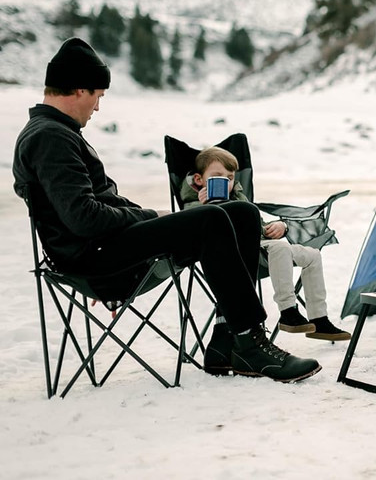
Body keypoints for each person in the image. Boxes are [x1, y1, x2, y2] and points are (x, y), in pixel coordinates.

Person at [12, 37, 321, 383]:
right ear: (79, 89)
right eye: (98, 95)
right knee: (212, 219)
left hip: (101, 247)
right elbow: (84, 218)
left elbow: (100, 206)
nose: (97, 107)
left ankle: (225, 341)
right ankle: (250, 342)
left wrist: (155, 216)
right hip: (93, 260)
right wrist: (150, 218)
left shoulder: (57, 132)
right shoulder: (50, 138)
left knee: (241, 213)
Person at [180, 146, 351, 342]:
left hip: (264, 249)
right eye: (217, 176)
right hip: (237, 257)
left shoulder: (238, 196)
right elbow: (199, 232)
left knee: (313, 255)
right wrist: (206, 206)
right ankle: (288, 311)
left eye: (230, 177)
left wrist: (279, 227)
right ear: (199, 179)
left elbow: (256, 225)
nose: (226, 182)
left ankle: (319, 320)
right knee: (281, 247)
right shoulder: (193, 205)